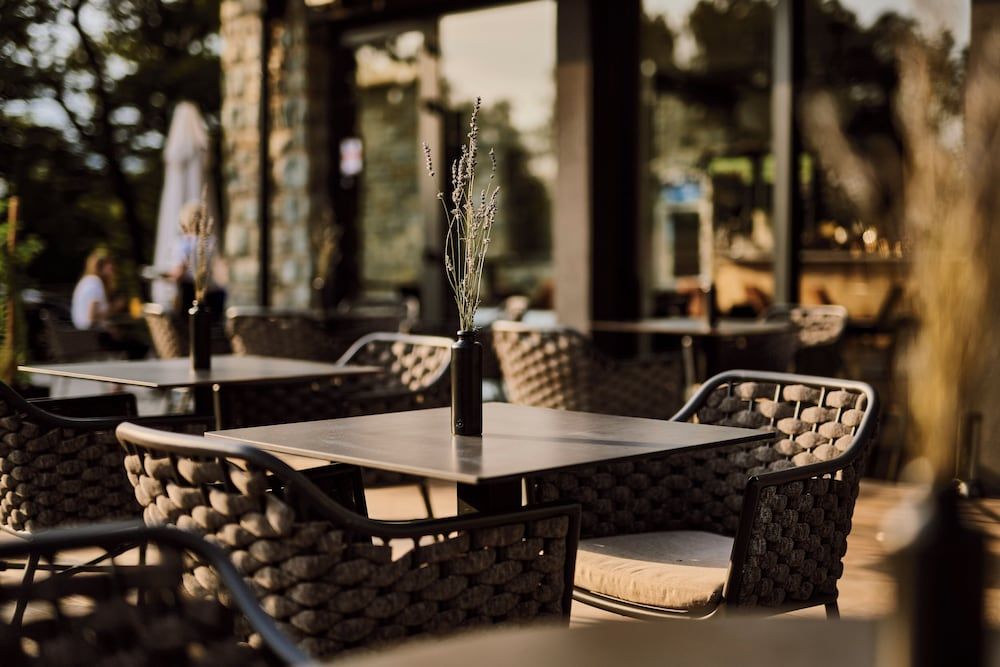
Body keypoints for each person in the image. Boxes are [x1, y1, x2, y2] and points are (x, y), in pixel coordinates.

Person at [71, 249, 148, 359]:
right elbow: (92, 317)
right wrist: (115, 307)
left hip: (84, 334)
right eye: (110, 266)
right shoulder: (94, 283)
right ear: (101, 267)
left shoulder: (87, 281)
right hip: (92, 336)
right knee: (139, 347)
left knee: (132, 342)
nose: (113, 269)